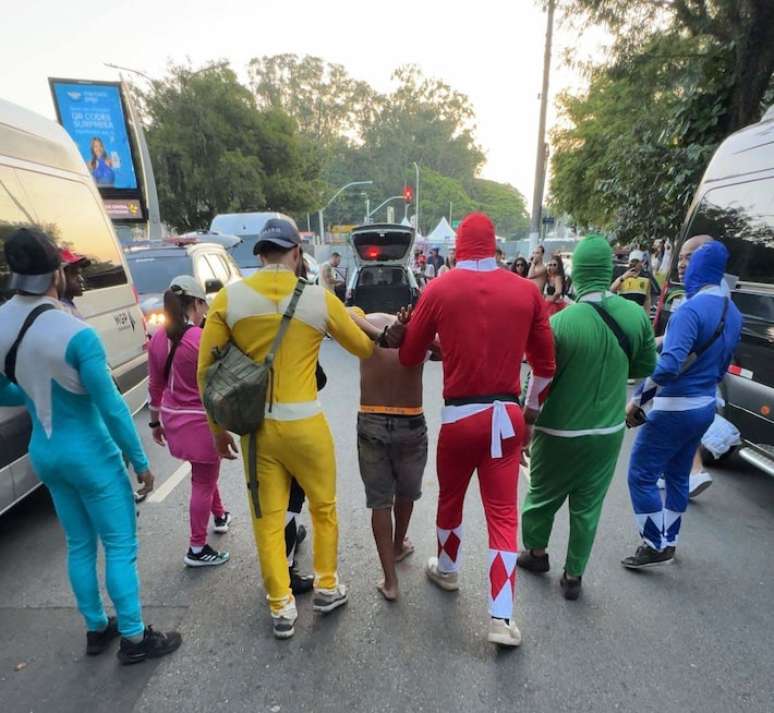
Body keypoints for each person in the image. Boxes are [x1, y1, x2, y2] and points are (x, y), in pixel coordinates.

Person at [0, 227, 181, 664]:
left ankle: (96, 627)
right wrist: (139, 461)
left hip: (44, 454)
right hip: (90, 454)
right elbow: (113, 408)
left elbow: (8, 392)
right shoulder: (75, 332)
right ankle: (135, 638)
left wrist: (34, 387)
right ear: (56, 274)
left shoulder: (2, 320)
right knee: (119, 545)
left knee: (79, 544)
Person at [197, 218, 376, 639]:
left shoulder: (230, 298)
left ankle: (282, 608)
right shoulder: (319, 299)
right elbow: (364, 347)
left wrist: (218, 430)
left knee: (267, 518)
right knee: (324, 507)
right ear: (297, 253)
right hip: (307, 426)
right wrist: (354, 314)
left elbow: (205, 373)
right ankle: (328, 587)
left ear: (261, 254)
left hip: (258, 430)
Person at [394, 212, 556, 647]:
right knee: (503, 515)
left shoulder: (439, 287)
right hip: (507, 417)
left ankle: (447, 570)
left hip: (459, 419)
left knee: (451, 498)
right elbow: (545, 367)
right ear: (496, 246)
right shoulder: (526, 291)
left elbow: (408, 356)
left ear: (458, 245)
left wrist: (437, 347)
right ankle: (501, 618)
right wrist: (530, 413)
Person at [517, 236, 657, 599]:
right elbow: (644, 368)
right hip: (607, 432)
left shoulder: (562, 323)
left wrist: (528, 422)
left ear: (577, 271)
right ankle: (573, 576)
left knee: (542, 498)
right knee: (588, 507)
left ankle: (536, 553)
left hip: (558, 431)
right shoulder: (636, 317)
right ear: (607, 270)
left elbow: (541, 378)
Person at [622, 241, 742, 568]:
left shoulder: (689, 310)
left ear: (699, 267)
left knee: (641, 475)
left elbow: (669, 366)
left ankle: (653, 543)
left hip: (673, 409)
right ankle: (669, 540)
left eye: (690, 260)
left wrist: (637, 399)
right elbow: (722, 366)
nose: (683, 266)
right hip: (704, 408)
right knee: (677, 475)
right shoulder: (732, 311)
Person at [347, 309, 434, 602]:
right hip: (410, 421)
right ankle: (398, 546)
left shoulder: (364, 322)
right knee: (406, 493)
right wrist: (400, 333)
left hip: (372, 419)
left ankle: (390, 581)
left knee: (380, 502)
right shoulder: (419, 330)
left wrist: (384, 333)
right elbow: (448, 350)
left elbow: (342, 312)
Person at [147, 276, 231, 568]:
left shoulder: (158, 337)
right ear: (196, 303)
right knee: (203, 480)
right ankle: (197, 548)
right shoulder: (199, 339)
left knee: (202, 473)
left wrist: (154, 423)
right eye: (203, 303)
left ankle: (219, 515)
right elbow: (219, 384)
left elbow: (155, 384)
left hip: (173, 419)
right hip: (200, 422)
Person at [611, 249, 651, 314]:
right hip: (622, 312)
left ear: (641, 262)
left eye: (636, 261)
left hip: (637, 314)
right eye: (632, 261)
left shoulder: (646, 277)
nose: (633, 264)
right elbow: (612, 289)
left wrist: (647, 316)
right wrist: (624, 277)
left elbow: (647, 299)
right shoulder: (622, 275)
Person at [60, 249, 90, 318]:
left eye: (80, 274)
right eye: (74, 274)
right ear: (58, 276)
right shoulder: (62, 311)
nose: (81, 279)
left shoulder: (67, 305)